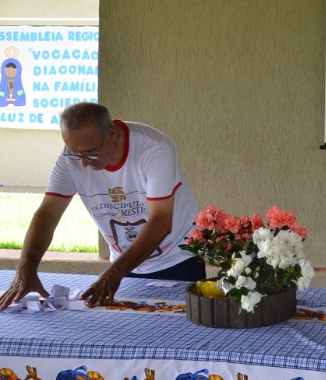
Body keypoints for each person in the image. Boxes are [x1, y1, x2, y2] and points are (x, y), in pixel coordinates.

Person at [0, 102, 204, 309]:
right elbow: (47, 214)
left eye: (90, 152)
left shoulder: (154, 148)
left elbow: (160, 221)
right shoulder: (72, 157)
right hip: (123, 262)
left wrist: (114, 273)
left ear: (112, 133)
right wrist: (26, 267)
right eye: (74, 153)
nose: (83, 163)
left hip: (177, 258)